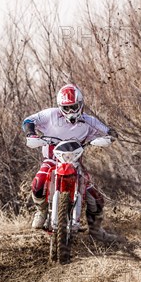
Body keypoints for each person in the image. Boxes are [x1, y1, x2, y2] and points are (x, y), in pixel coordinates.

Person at [22, 83, 118, 242]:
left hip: (75, 163)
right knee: (38, 183)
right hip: (52, 161)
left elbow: (108, 130)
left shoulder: (89, 121)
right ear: (60, 107)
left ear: (80, 104)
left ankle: (96, 231)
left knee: (96, 198)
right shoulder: (50, 115)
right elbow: (28, 120)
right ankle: (42, 210)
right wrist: (31, 134)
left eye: (74, 107)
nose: (71, 111)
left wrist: (109, 137)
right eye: (66, 108)